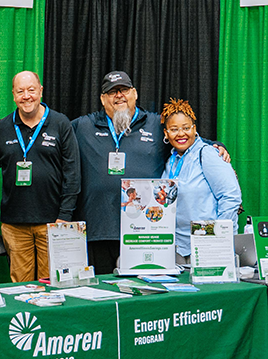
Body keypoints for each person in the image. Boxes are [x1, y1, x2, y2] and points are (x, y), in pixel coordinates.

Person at [70, 71, 229, 274]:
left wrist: (217, 145)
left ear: (135, 93)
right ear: (102, 99)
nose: (119, 95)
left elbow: (185, 139)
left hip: (145, 231)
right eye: (112, 92)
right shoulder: (83, 126)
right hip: (99, 229)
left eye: (124, 90)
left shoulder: (156, 124)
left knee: (141, 289)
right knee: (103, 288)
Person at [0, 71, 80, 282]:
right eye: (20, 91)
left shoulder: (61, 124)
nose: (26, 96)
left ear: (41, 91)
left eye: (31, 90)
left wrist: (65, 216)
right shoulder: (1, 129)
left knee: (52, 284)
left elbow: (73, 174)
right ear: (13, 95)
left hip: (53, 222)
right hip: (14, 225)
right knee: (21, 288)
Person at [160, 99, 241, 261]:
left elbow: (231, 197)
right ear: (166, 133)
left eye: (186, 128)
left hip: (207, 246)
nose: (181, 134)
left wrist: (218, 239)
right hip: (177, 248)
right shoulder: (171, 161)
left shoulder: (208, 154)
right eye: (174, 129)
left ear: (194, 129)